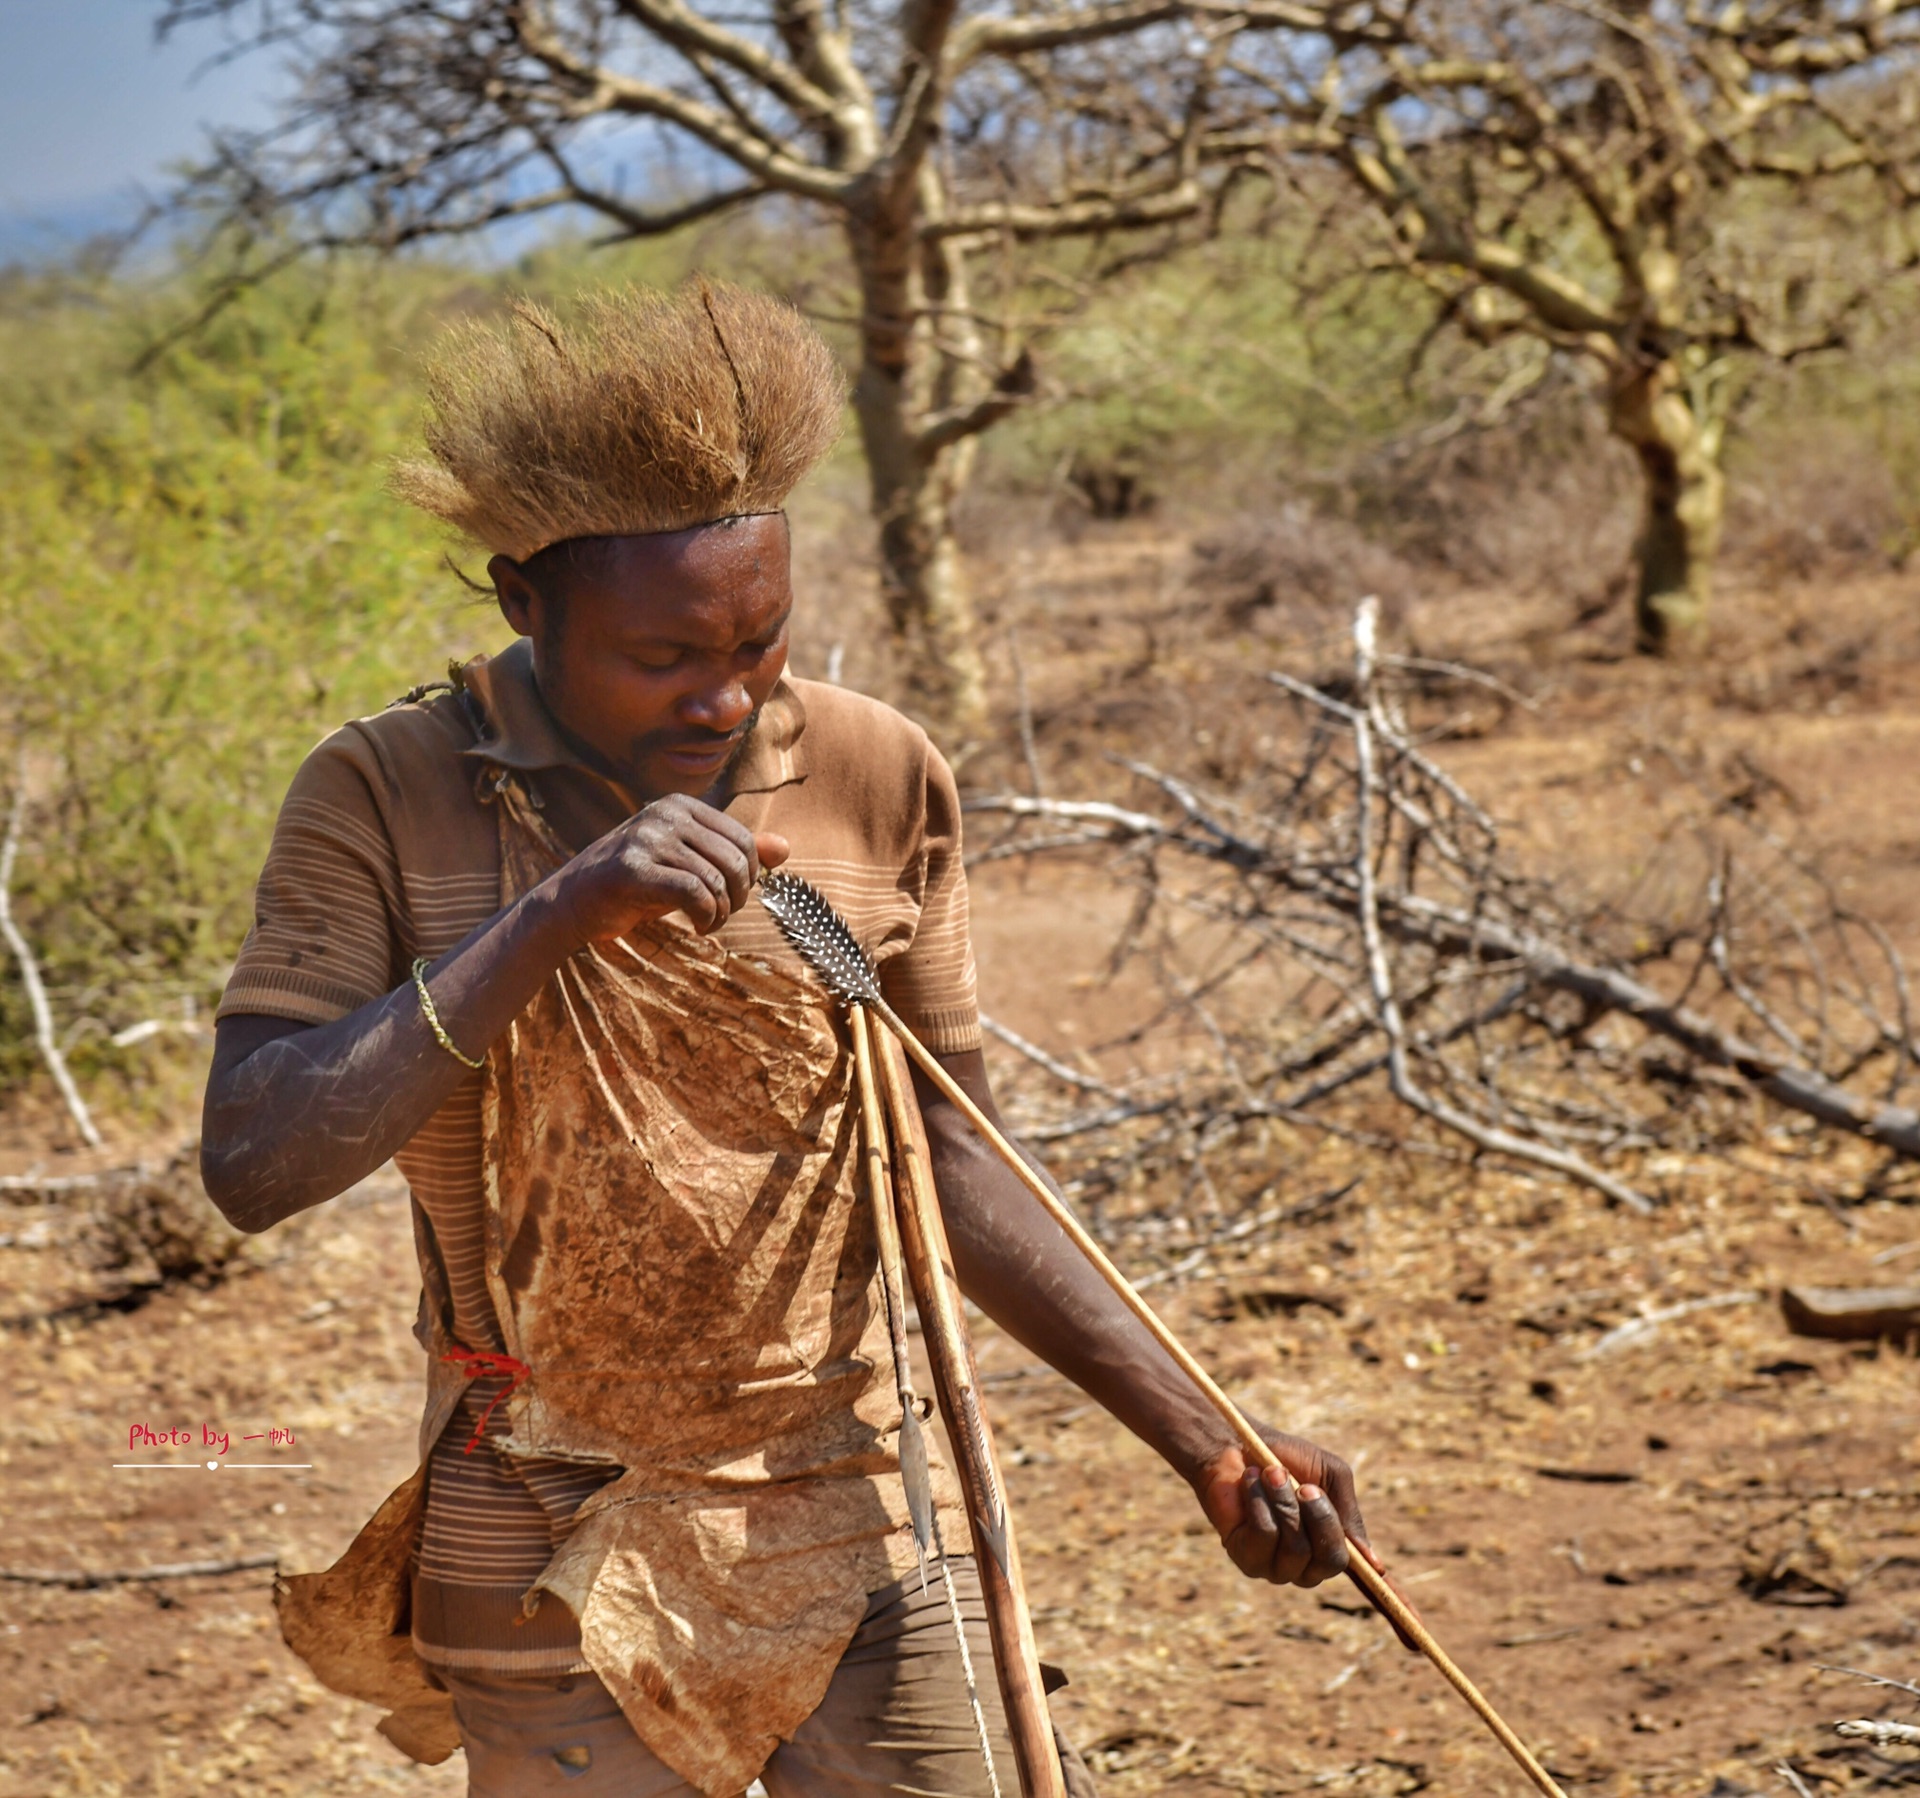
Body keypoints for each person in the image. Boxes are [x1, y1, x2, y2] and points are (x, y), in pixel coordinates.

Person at [201, 281, 1392, 1798]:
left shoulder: (876, 775)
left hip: (845, 1509)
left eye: (762, 636)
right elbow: (250, 1155)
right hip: (534, 1520)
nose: (725, 691)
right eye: (661, 655)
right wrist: (551, 917)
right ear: (522, 599)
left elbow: (956, 1153)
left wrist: (1211, 1440)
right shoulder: (386, 792)